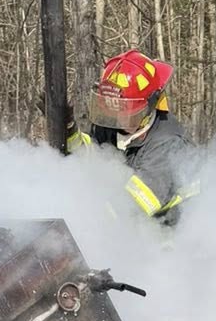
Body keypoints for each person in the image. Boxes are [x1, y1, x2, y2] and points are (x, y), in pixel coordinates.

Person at [67, 50, 198, 225]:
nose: (117, 119)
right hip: (135, 231)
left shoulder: (168, 143)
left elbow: (133, 208)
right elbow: (92, 157)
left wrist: (81, 215)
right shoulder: (113, 125)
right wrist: (68, 130)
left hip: (172, 235)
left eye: (126, 112)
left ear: (149, 107)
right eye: (113, 111)